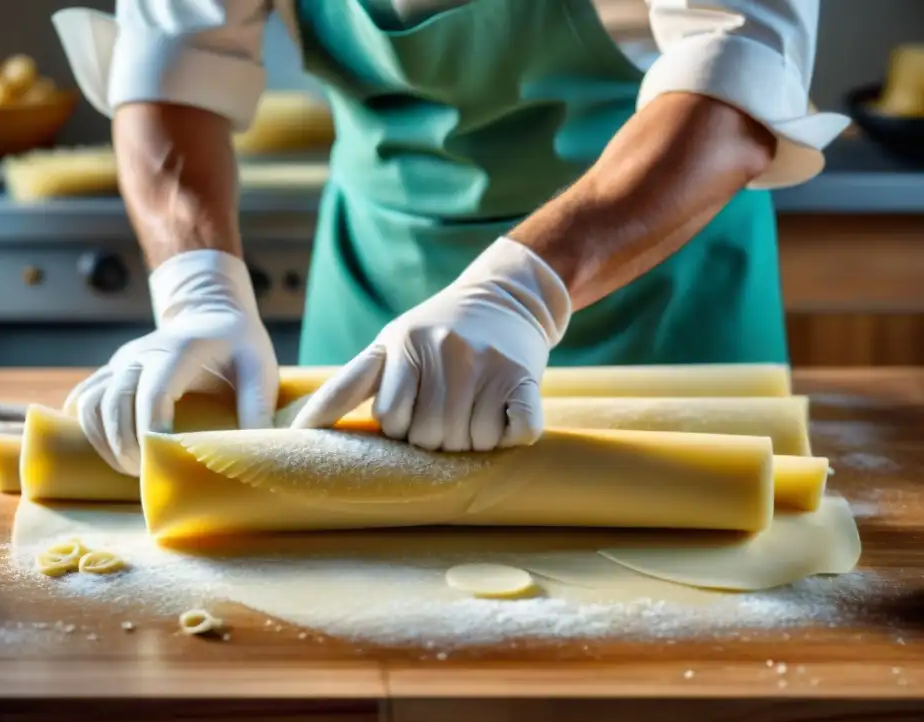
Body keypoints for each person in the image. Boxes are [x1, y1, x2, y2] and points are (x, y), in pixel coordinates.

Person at [53, 0, 848, 475]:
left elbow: (736, 83)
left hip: (659, 280)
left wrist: (520, 291)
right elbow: (170, 72)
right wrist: (196, 289)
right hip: (371, 285)